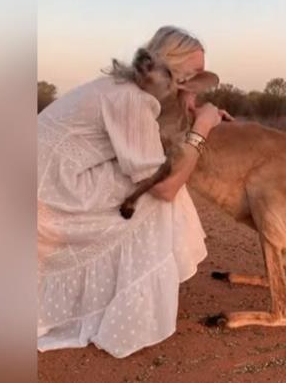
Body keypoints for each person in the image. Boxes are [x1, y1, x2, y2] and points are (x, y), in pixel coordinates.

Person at [37, 26, 224, 358]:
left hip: (45, 183)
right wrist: (203, 127)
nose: (195, 83)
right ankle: (131, 308)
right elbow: (165, 186)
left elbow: (154, 142)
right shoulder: (132, 100)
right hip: (49, 197)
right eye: (193, 75)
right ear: (176, 74)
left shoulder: (121, 87)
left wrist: (186, 104)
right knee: (164, 193)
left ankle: (115, 292)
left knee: (159, 176)